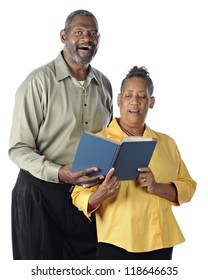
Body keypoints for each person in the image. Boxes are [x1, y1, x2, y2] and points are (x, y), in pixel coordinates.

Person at [8, 9, 113, 260]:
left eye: (93, 33)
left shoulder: (105, 85)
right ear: (63, 36)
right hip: (40, 194)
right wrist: (59, 172)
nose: (87, 38)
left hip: (86, 197)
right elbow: (18, 149)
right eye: (79, 32)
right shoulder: (37, 83)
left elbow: (109, 138)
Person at [72, 66, 197, 260]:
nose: (135, 102)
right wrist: (99, 196)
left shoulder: (166, 143)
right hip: (116, 241)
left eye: (142, 96)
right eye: (129, 95)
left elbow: (188, 187)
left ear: (151, 102)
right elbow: (78, 194)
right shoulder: (98, 142)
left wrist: (157, 187)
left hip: (160, 241)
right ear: (119, 100)